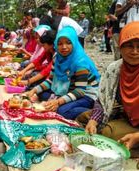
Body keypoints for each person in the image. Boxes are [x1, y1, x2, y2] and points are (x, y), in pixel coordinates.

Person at [85, 22, 139, 150]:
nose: (135, 51)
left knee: (107, 133)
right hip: (126, 116)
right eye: (129, 46)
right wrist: (93, 120)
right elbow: (103, 100)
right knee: (85, 118)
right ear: (120, 47)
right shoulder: (115, 69)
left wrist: (137, 136)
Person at [27, 26, 100, 120]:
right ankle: (66, 103)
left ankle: (93, 112)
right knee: (41, 94)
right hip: (69, 90)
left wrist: (58, 102)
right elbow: (51, 80)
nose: (64, 47)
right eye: (60, 44)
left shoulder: (80, 62)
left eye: (68, 43)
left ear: (74, 43)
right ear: (56, 44)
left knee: (62, 111)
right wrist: (34, 90)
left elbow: (80, 91)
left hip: (86, 94)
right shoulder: (57, 58)